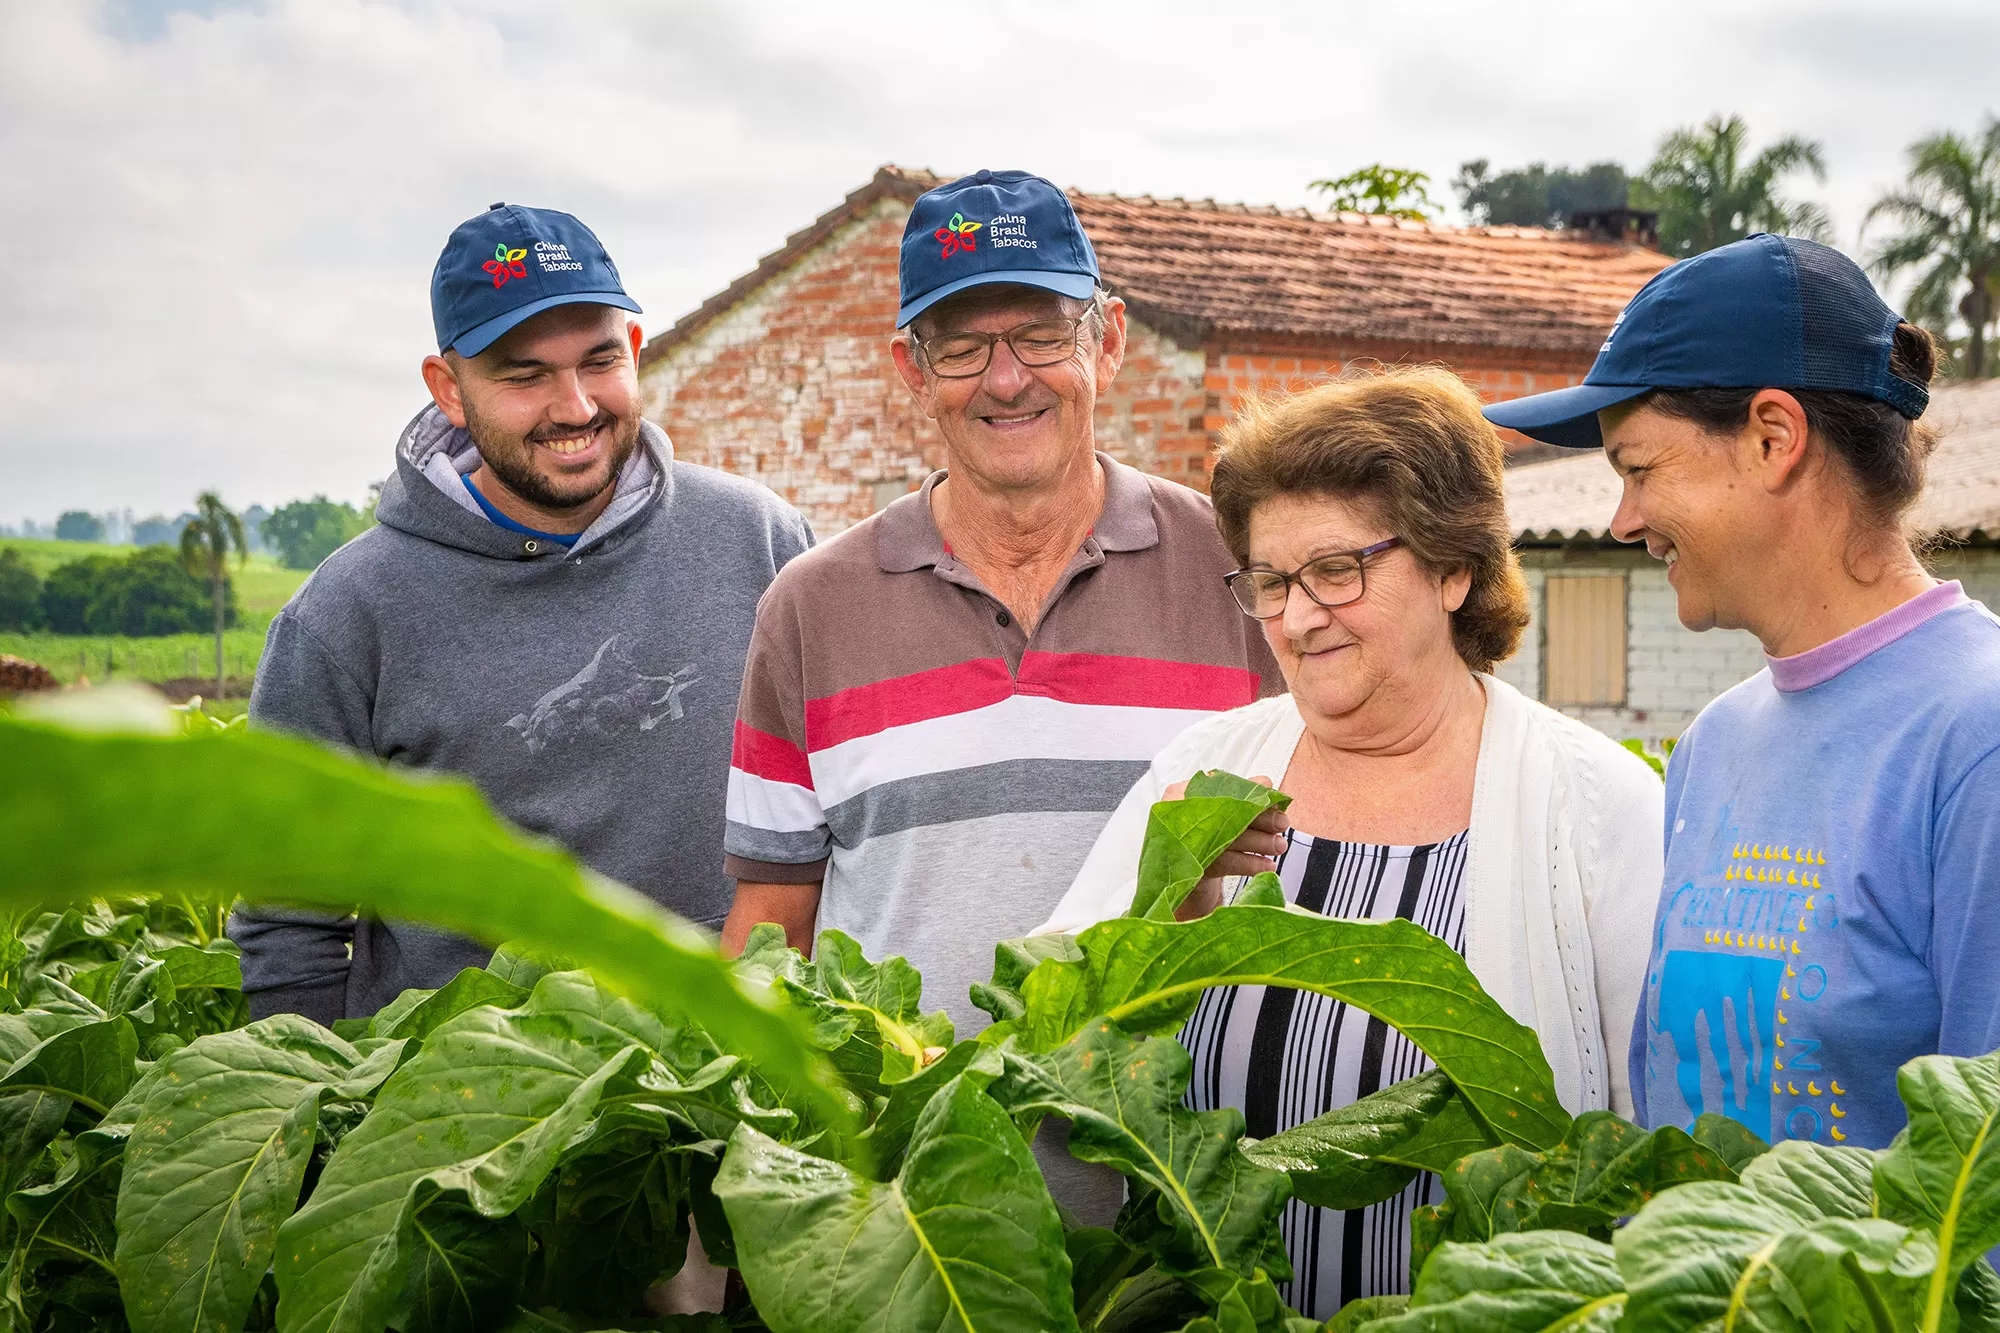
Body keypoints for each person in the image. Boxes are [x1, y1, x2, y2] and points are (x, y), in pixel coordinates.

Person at [1039, 367, 1664, 1317]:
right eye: (1272, 581)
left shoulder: (1592, 804)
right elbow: (1061, 1033)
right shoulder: (1207, 769)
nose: (1295, 617)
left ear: (1454, 568)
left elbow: (1647, 1139)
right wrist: (1177, 901)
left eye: (1337, 571)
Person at [717, 170, 1280, 1217]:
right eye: (961, 347)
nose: (1005, 378)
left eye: (1039, 334)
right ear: (908, 369)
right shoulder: (810, 609)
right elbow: (768, 921)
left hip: (1190, 1212)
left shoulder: (1242, 573)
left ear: (1106, 340)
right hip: (910, 1215)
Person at [231, 203, 813, 1024]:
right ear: (449, 390)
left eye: (599, 361)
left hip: (733, 1084)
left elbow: (844, 815)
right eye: (524, 374)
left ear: (635, 352)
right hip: (462, 1113)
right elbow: (291, 925)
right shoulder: (346, 617)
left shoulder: (759, 540)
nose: (574, 406)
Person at [1486, 234, 2000, 1153]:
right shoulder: (1716, 743)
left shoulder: (1976, 734)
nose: (1623, 520)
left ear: (1774, 438)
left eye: (1640, 470)